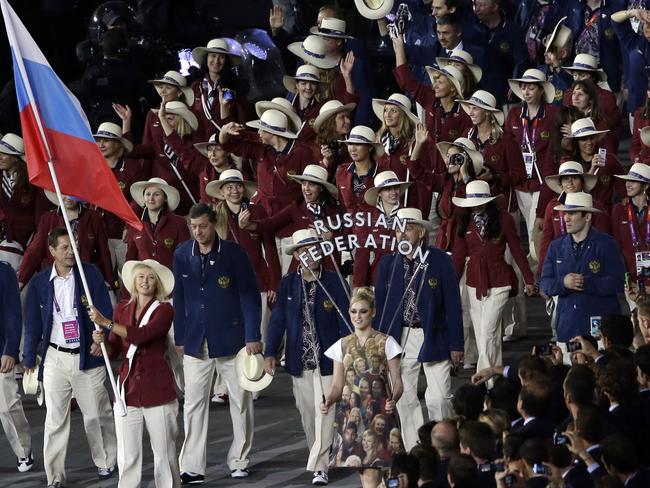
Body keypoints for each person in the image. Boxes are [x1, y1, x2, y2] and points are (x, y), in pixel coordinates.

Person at [173, 203, 262, 484]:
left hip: (233, 341)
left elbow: (250, 296)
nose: (198, 232)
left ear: (214, 225)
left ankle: (239, 460)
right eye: (193, 226)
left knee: (241, 402)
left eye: (203, 226)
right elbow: (180, 300)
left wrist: (252, 336)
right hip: (195, 341)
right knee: (193, 404)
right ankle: (192, 467)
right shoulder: (181, 254)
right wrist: (179, 337)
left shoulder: (234, 254)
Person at [23, 228, 117, 487]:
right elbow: (32, 323)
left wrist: (104, 339)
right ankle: (55, 477)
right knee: (55, 419)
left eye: (72, 246)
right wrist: (29, 358)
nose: (69, 252)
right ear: (51, 251)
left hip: (87, 354)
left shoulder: (90, 276)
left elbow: (106, 310)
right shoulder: (41, 282)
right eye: (63, 247)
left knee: (97, 414)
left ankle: (106, 460)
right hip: (55, 357)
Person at [264, 229, 350, 486]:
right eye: (303, 250)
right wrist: (270, 351)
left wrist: (345, 355)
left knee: (325, 412)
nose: (309, 254)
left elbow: (346, 322)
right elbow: (278, 319)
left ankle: (320, 466)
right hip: (298, 360)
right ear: (298, 255)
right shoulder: (288, 282)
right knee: (307, 414)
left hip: (328, 361)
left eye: (313, 248)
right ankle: (320, 452)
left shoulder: (335, 281)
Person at [375, 207, 464, 451]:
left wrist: (456, 344)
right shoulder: (387, 263)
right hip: (400, 336)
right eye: (397, 229)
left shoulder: (440, 260)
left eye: (408, 229)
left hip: (434, 334)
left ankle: (443, 446)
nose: (402, 234)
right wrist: (379, 344)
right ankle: (417, 450)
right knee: (403, 397)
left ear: (421, 232)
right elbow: (380, 308)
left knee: (439, 397)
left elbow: (454, 306)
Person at [89, 260, 180, 487]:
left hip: (157, 389)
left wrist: (106, 322)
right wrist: (100, 344)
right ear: (133, 281)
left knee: (164, 454)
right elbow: (114, 349)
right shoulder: (121, 309)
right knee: (127, 456)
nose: (145, 281)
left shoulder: (165, 309)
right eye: (140, 277)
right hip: (127, 390)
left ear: (157, 282)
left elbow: (142, 335)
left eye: (150, 277)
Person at [321, 286, 404, 488]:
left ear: (373, 312)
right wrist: (329, 400)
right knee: (365, 473)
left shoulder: (387, 342)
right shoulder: (341, 345)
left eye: (363, 311)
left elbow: (398, 382)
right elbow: (337, 385)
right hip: (351, 415)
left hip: (381, 413)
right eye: (354, 311)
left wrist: (394, 399)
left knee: (374, 473)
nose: (358, 316)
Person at [452, 181, 535, 371]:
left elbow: (516, 249)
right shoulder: (464, 221)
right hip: (474, 281)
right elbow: (457, 256)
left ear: (488, 200)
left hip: (500, 281)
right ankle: (494, 380)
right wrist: (451, 286)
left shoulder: (504, 219)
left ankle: (484, 377)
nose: (477, 205)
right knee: (485, 334)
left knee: (488, 331)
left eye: (480, 200)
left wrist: (529, 279)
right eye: (473, 201)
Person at [218, 111, 312, 257]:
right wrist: (224, 131)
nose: (259, 132)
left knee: (291, 271)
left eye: (262, 129)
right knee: (271, 269)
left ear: (272, 132)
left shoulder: (303, 153)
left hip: (290, 224)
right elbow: (228, 146)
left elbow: (311, 187)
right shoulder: (262, 149)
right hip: (264, 221)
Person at [540, 192, 625, 343]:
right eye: (565, 213)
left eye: (572, 214)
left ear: (587, 217)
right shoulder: (556, 246)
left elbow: (617, 282)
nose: (566, 218)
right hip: (568, 326)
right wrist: (563, 283)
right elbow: (545, 283)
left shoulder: (607, 244)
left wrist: (585, 283)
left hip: (601, 328)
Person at [208, 169, 280, 341]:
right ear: (221, 191)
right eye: (229, 187)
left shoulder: (257, 211)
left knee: (258, 336)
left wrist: (274, 283)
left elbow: (270, 249)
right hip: (225, 285)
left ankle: (261, 369)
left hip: (257, 282)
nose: (234, 191)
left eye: (238, 186)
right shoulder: (214, 216)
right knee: (233, 336)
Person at [116, 73, 201, 215]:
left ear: (180, 92)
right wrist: (126, 123)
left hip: (187, 183)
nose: (162, 91)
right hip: (163, 184)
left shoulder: (190, 116)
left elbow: (195, 150)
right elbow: (147, 149)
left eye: (168, 88)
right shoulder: (152, 115)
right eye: (161, 87)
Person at [239, 164, 340, 275]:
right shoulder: (296, 208)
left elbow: (349, 236)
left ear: (321, 188)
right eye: (304, 183)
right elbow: (272, 223)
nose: (306, 188)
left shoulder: (335, 210)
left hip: (329, 266)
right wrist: (249, 225)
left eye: (311, 184)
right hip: (302, 268)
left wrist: (332, 237)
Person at [504, 68, 559, 247]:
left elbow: (556, 149)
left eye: (531, 88)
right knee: (529, 227)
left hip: (542, 180)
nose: (526, 92)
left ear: (541, 90)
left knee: (536, 226)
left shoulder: (553, 115)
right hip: (521, 182)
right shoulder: (513, 115)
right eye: (524, 88)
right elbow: (509, 147)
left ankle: (538, 270)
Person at [18, 192, 114, 290]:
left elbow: (104, 253)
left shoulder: (94, 218)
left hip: (86, 282)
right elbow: (35, 251)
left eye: (72, 192)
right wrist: (21, 279)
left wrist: (110, 283)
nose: (68, 197)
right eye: (64, 192)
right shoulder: (48, 219)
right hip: (56, 281)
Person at [93, 122, 149, 271]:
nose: (101, 144)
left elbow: (137, 200)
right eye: (98, 141)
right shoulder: (92, 166)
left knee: (126, 274)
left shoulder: (132, 167)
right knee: (104, 279)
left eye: (106, 141)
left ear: (118, 144)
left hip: (122, 234)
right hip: (97, 233)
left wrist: (129, 226)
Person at [0, 260, 33, 473]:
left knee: (7, 407)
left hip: (1, 353)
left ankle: (24, 451)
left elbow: (13, 313)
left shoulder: (4, 272)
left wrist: (11, 350)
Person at [353, 170, 412, 288]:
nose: (393, 192)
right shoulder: (368, 218)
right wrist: (359, 288)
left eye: (396, 188)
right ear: (379, 193)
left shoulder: (409, 215)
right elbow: (362, 257)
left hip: (404, 280)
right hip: (376, 280)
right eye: (387, 189)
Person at [373, 92, 431, 211]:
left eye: (393, 111)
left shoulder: (415, 142)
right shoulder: (378, 141)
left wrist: (422, 214)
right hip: (383, 209)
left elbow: (423, 182)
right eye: (386, 110)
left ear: (403, 115)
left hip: (409, 206)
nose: (387, 115)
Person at [125, 177, 190, 271]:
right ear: (144, 198)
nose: (151, 198)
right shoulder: (135, 225)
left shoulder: (179, 223)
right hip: (144, 283)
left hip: (172, 280)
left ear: (165, 198)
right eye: (148, 194)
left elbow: (185, 256)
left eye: (157, 194)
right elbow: (130, 259)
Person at [562, 117, 625, 213]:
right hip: (578, 215)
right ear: (576, 142)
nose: (589, 142)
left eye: (591, 138)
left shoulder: (610, 160)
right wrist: (592, 169)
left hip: (604, 215)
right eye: (583, 139)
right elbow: (571, 192)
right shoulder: (568, 163)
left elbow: (624, 191)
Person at [0, 133, 48, 256]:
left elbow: (40, 217)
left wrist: (35, 243)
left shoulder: (33, 182)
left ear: (16, 158)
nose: (0, 157)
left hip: (26, 241)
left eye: (4, 154)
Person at [190, 38, 246, 137]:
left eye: (221, 57)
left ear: (226, 61)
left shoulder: (233, 87)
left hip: (224, 144)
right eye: (213, 55)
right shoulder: (196, 86)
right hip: (201, 144)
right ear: (206, 58)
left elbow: (241, 118)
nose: (216, 61)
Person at [611, 163, 650, 307]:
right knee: (637, 323)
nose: (627, 184)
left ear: (645, 186)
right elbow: (617, 248)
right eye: (627, 180)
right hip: (632, 282)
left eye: (633, 181)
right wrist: (628, 280)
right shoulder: (619, 211)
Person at [335, 125, 387, 213]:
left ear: (370, 147)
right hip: (348, 225)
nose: (353, 149)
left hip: (375, 225)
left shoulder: (383, 174)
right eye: (350, 144)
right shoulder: (341, 171)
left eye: (358, 144)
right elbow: (339, 205)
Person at [193, 133, 241, 206]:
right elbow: (204, 202)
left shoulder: (240, 176)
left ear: (228, 152)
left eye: (218, 149)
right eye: (209, 150)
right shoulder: (204, 176)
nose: (213, 154)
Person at [313, 99, 355, 176]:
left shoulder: (351, 144)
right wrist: (326, 161)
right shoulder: (315, 148)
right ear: (330, 121)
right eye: (342, 117)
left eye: (348, 117)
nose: (348, 121)